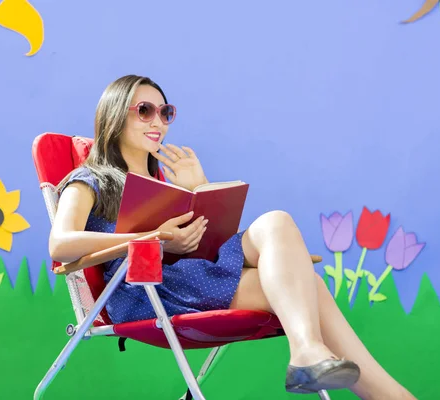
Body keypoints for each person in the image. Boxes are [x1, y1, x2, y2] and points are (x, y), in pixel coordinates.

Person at [49, 74, 415, 399]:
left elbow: (204, 244)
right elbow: (60, 245)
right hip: (146, 291)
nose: (158, 121)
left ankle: (324, 361)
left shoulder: (162, 184)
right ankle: (340, 370)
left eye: (166, 112)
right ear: (115, 115)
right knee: (308, 285)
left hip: (190, 276)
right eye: (144, 110)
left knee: (280, 229)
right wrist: (155, 236)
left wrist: (200, 189)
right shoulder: (90, 180)